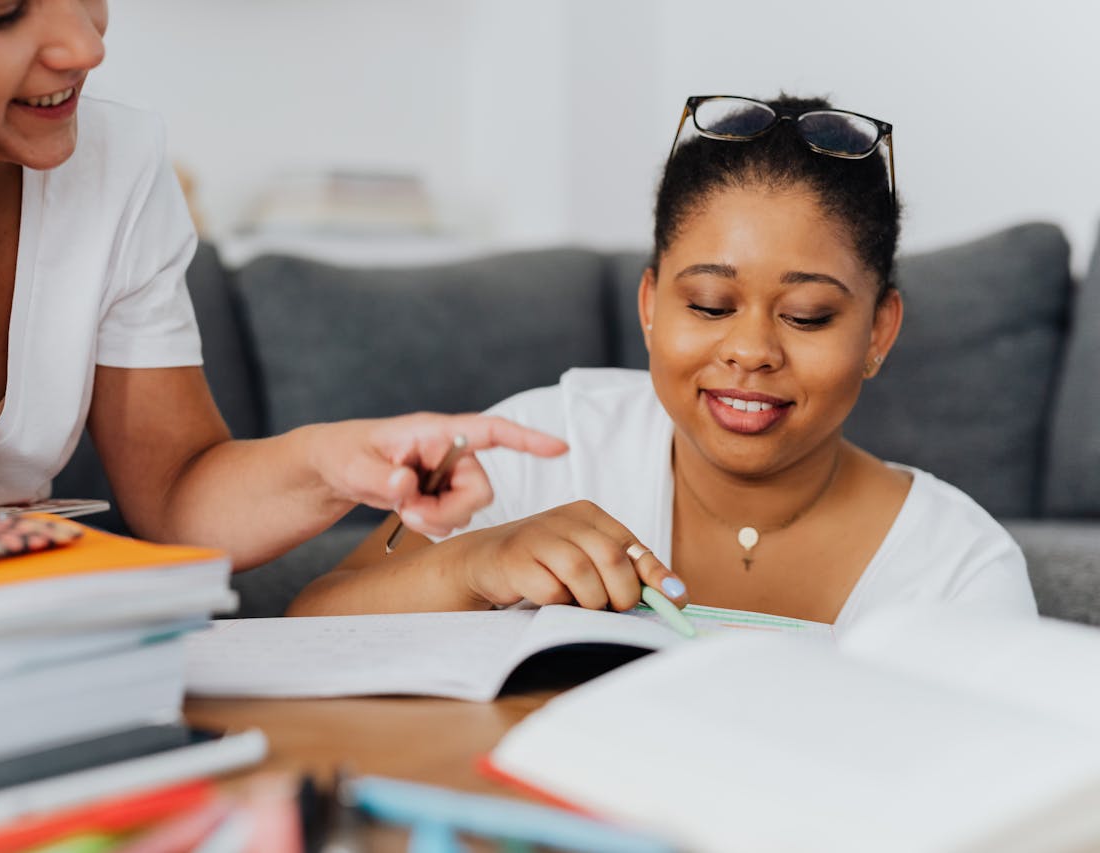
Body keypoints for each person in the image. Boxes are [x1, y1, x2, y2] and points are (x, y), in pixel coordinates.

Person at [0, 0, 567, 569]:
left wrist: (337, 462)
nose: (87, 44)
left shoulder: (115, 163)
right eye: (3, 11)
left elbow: (178, 491)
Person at [289, 94, 1038, 628]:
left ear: (879, 331)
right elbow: (305, 623)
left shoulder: (957, 567)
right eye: (710, 304)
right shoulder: (547, 445)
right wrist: (469, 564)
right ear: (650, 306)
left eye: (808, 315)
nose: (750, 350)